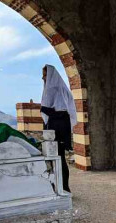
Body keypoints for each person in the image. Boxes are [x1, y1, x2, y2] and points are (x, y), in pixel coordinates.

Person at [40, 64, 76, 192]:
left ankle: (64, 188)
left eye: (44, 75)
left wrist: (44, 110)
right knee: (56, 159)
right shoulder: (53, 88)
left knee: (59, 160)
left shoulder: (57, 89)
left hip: (59, 131)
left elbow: (62, 112)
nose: (42, 77)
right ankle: (58, 187)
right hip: (54, 129)